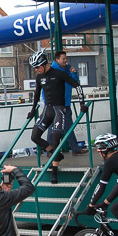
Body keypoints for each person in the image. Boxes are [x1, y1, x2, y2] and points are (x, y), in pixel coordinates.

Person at [27, 50, 87, 184]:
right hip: (47, 110)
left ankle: (54, 171)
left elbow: (77, 86)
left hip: (59, 109)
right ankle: (56, 154)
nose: (36, 70)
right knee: (34, 136)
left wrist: (82, 104)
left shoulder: (58, 73)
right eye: (34, 68)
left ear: (43, 63)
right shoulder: (39, 77)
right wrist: (32, 111)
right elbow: (36, 94)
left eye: (37, 67)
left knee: (55, 139)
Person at [46, 51, 89, 156]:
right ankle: (50, 150)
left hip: (65, 103)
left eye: (66, 58)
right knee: (53, 127)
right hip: (55, 104)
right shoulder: (52, 71)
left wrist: (74, 73)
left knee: (68, 126)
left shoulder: (67, 69)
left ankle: (75, 148)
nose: (66, 61)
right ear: (57, 59)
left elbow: (74, 82)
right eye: (63, 59)